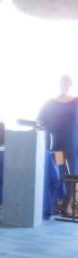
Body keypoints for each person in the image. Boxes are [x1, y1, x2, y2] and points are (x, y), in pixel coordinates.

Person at [37, 74, 78, 219]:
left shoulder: (76, 101)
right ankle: (54, 204)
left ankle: (67, 207)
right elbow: (40, 120)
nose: (64, 84)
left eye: (67, 82)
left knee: (73, 173)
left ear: (70, 84)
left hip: (73, 144)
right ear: (59, 84)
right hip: (57, 144)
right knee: (58, 173)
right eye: (62, 82)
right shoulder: (51, 103)